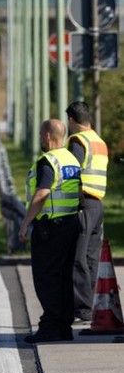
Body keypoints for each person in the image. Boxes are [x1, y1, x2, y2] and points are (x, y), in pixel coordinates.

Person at [18, 119, 81, 343]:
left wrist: (26, 222)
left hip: (51, 227)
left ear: (46, 137)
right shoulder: (70, 159)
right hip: (70, 223)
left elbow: (42, 193)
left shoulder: (48, 161)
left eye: (39, 135)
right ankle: (64, 327)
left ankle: (50, 326)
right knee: (63, 277)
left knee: (47, 278)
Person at [65, 101, 108, 323]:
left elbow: (73, 173)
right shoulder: (99, 141)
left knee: (77, 257)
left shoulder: (78, 141)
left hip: (82, 203)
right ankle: (89, 306)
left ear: (71, 120)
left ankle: (82, 309)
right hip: (98, 204)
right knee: (91, 257)